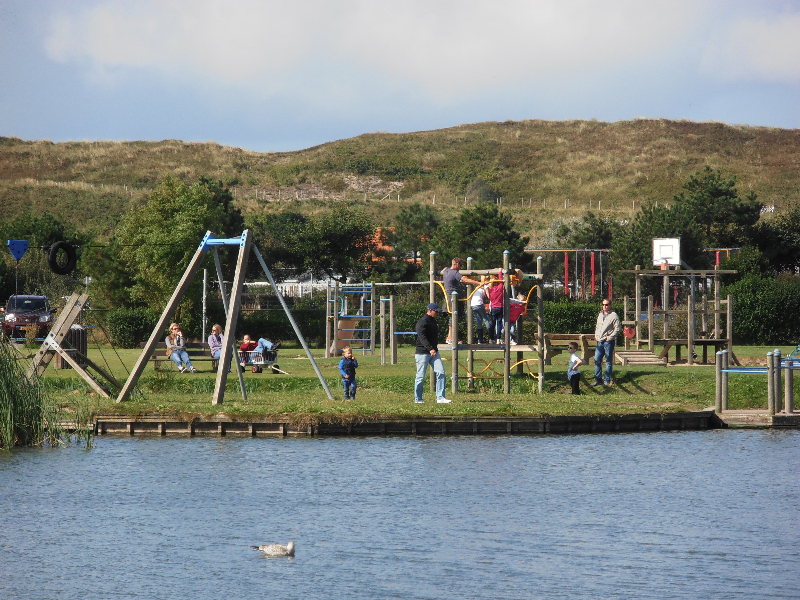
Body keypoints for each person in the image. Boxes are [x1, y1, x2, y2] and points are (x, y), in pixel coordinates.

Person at [441, 257, 482, 345]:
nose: (460, 267)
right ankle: (452, 338)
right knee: (454, 316)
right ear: (456, 264)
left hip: (447, 296)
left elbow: (444, 269)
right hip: (454, 296)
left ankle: (449, 337)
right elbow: (465, 280)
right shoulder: (455, 273)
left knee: (452, 316)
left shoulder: (446, 271)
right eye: (460, 265)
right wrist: (479, 283)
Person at [414, 303, 449, 404]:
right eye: (436, 311)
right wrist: (430, 349)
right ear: (430, 310)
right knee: (420, 376)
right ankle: (418, 399)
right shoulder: (422, 322)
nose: (437, 313)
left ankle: (440, 397)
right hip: (422, 353)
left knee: (441, 372)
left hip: (434, 352)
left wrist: (434, 349)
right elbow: (422, 338)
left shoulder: (433, 322)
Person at [591, 299, 621, 387]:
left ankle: (607, 380)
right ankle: (598, 380)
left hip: (608, 342)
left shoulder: (614, 315)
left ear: (610, 305)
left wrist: (610, 337)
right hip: (600, 341)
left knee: (608, 361)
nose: (604, 306)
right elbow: (597, 327)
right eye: (603, 304)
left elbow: (618, 328)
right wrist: (596, 336)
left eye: (606, 305)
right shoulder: (600, 315)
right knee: (597, 360)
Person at [470, 278, 491, 344]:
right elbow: (488, 296)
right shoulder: (486, 286)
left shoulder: (478, 287)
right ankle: (491, 337)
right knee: (486, 319)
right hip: (479, 303)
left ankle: (480, 340)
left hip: (473, 305)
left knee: (479, 321)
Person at [488, 279, 504, 344]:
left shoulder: (490, 290)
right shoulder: (500, 288)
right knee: (499, 323)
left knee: (493, 323)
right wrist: (500, 273)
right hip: (500, 307)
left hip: (493, 308)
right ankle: (498, 338)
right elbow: (501, 280)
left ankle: (491, 338)